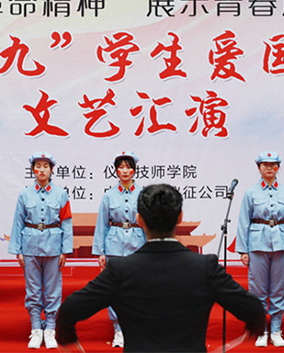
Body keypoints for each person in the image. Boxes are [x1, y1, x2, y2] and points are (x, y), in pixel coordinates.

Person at [56, 184, 266, 353]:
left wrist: (69, 338)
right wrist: (248, 333)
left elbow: (69, 310)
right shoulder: (205, 267)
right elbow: (255, 310)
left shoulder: (120, 270)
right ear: (180, 217)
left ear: (139, 219)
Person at [236, 151, 284, 348]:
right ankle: (261, 330)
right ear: (259, 168)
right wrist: (243, 250)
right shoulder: (251, 193)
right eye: (265, 165)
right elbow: (243, 222)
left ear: (278, 168)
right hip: (257, 244)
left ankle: (276, 329)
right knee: (257, 289)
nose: (269, 168)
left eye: (273, 165)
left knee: (279, 289)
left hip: (282, 243)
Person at [8, 152, 73, 349]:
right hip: (30, 245)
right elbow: (18, 222)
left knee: (53, 289)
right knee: (33, 289)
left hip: (53, 245)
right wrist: (18, 250)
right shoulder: (25, 194)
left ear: (52, 170)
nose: (42, 170)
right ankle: (36, 328)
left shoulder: (60, 194)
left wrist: (65, 250)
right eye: (38, 166)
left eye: (46, 166)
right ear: (33, 170)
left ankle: (50, 328)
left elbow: (66, 222)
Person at [91, 151, 146, 349]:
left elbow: (149, 224)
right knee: (115, 288)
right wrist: (100, 252)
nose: (124, 171)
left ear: (134, 170)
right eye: (121, 167)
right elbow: (102, 224)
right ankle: (118, 330)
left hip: (138, 245)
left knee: (138, 287)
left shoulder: (143, 194)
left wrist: (152, 249)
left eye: (128, 167)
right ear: (116, 170)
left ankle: (135, 327)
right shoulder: (109, 195)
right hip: (114, 244)